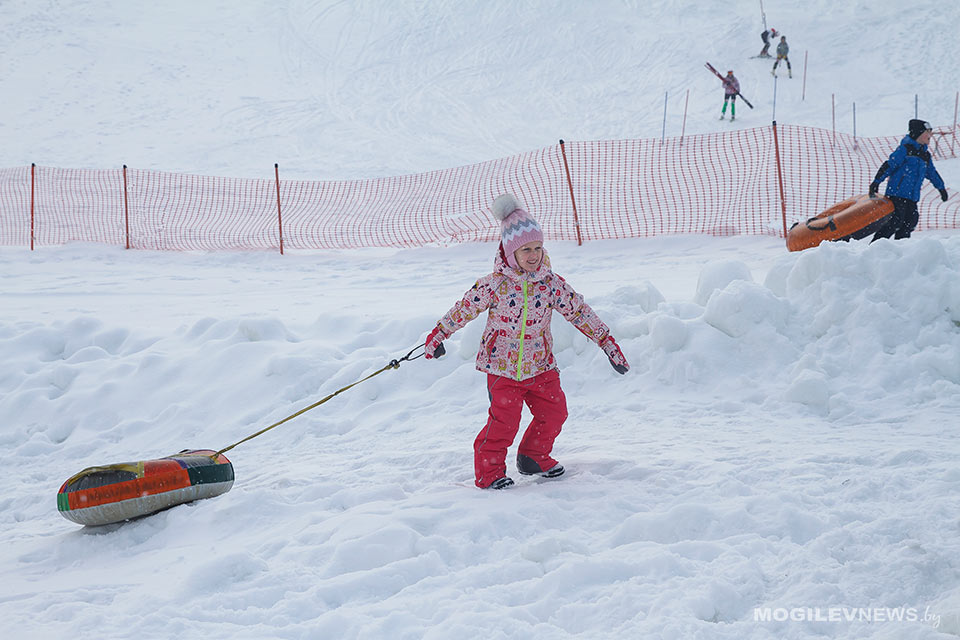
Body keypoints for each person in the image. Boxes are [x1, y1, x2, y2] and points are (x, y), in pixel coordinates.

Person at [423, 193, 630, 490]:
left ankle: (533, 456)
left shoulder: (551, 284)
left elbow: (579, 312)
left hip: (540, 366)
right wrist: (439, 334)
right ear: (511, 252)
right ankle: (489, 472)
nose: (533, 255)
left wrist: (607, 342)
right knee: (504, 423)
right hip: (502, 368)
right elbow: (464, 309)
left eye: (537, 248)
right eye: (525, 249)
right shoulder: (494, 284)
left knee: (555, 413)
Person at [867, 119, 949, 241]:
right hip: (897, 194)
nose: (930, 135)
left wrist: (941, 188)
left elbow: (932, 173)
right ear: (918, 133)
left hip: (912, 197)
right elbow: (889, 165)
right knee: (895, 221)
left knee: (910, 222)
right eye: (927, 132)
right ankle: (876, 245)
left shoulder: (925, 155)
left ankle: (901, 247)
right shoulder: (905, 150)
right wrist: (876, 182)